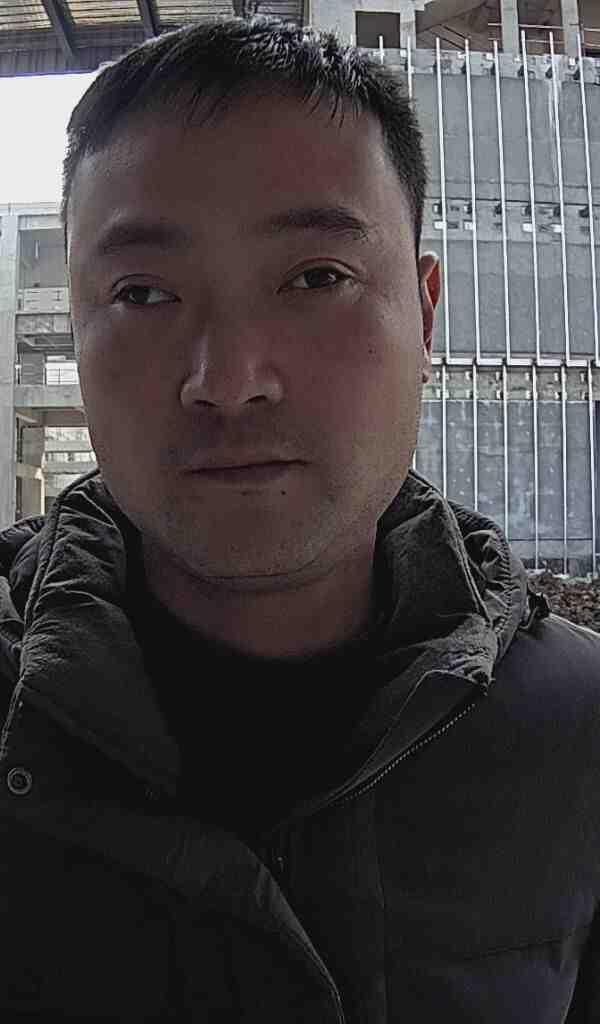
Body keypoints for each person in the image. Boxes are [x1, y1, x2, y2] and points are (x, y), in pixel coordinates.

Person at [1, 16, 599, 1023]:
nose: (229, 379)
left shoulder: (578, 736)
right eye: (143, 292)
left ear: (425, 312)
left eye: (317, 278)